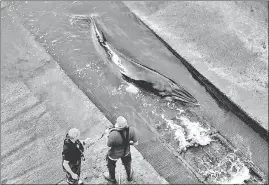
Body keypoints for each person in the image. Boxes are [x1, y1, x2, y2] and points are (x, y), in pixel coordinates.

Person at [103, 116, 138, 183]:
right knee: (127, 164)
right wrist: (128, 143)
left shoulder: (112, 134)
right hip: (126, 153)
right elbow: (135, 143)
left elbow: (108, 147)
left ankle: (112, 178)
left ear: (118, 125)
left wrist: (107, 135)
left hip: (113, 155)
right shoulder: (131, 130)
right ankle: (129, 176)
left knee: (111, 166)